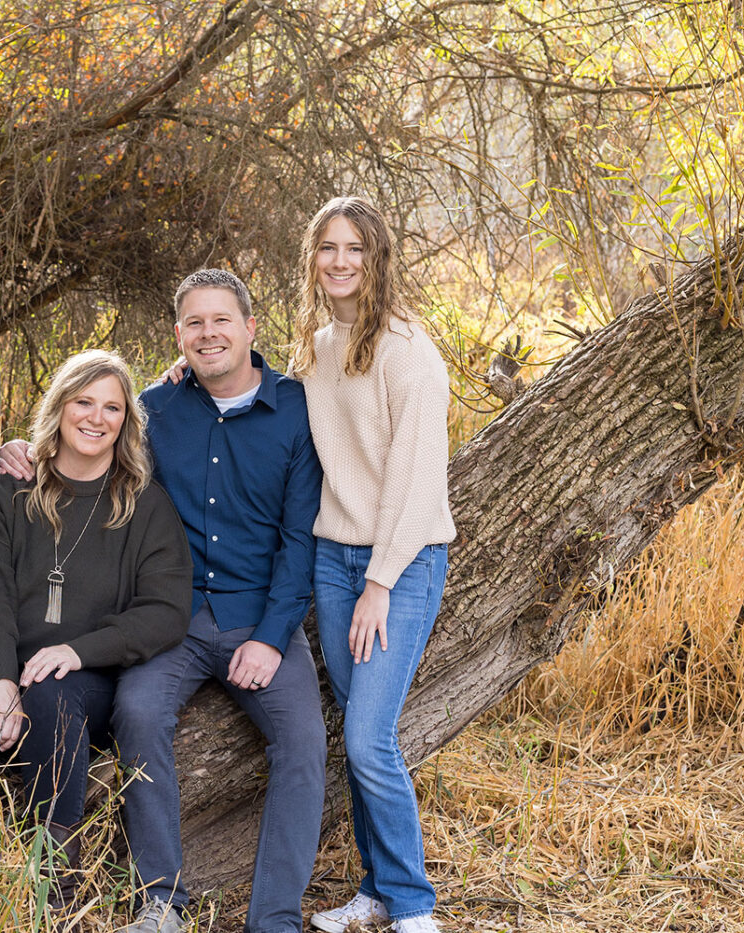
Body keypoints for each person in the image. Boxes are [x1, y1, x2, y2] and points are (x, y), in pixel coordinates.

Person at [0, 270, 327, 933]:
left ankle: (275, 919)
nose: (209, 334)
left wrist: (271, 636)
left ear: (250, 328)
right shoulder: (156, 406)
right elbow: (91, 438)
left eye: (222, 320)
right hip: (171, 617)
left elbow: (301, 540)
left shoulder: (297, 408)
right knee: (138, 711)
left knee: (304, 741)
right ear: (179, 335)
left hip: (261, 615)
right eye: (195, 323)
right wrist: (26, 449)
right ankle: (162, 904)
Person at [0, 349, 192, 911]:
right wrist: (2, 678)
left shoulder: (143, 504)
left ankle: (53, 882)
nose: (96, 418)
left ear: (126, 421)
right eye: (84, 402)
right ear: (60, 406)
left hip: (89, 679)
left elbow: (165, 611)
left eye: (112, 407)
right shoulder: (8, 490)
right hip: (5, 664)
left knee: (52, 690)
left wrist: (77, 651)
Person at [295, 197, 455, 933]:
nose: (340, 261)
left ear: (377, 257)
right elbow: (274, 398)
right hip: (334, 557)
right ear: (312, 258)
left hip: (403, 560)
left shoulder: (407, 350)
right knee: (355, 729)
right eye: (328, 247)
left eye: (354, 248)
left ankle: (414, 906)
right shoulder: (318, 344)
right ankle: (377, 890)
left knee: (368, 737)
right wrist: (188, 371)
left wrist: (380, 582)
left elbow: (416, 481)